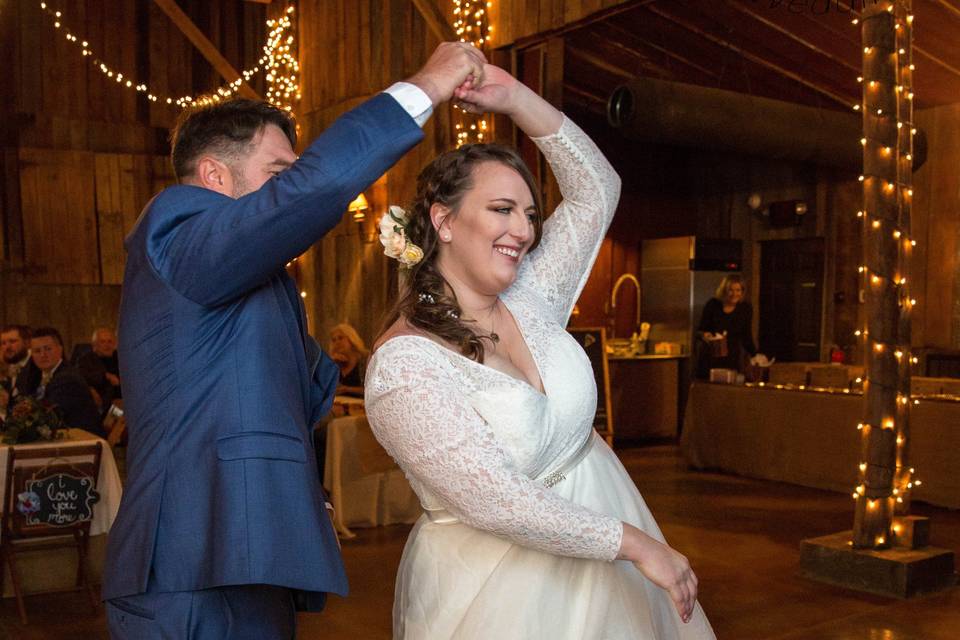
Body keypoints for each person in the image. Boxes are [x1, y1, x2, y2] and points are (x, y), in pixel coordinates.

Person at [101, 42, 487, 639]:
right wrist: (424, 90)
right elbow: (306, 195)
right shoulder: (175, 223)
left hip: (244, 549)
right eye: (278, 173)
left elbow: (293, 391)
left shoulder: (252, 279)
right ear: (213, 176)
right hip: (193, 558)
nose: (292, 186)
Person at [365, 65, 715, 639]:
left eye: (529, 214)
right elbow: (496, 501)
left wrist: (517, 100)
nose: (524, 231)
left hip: (611, 557)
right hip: (498, 587)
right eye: (502, 209)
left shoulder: (533, 293)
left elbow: (597, 190)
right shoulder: (406, 366)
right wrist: (633, 544)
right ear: (443, 220)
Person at [28, 327, 104, 437]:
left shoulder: (67, 379)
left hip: (83, 444)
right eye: (37, 351)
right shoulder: (43, 376)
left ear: (60, 349)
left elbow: (49, 418)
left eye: (48, 349)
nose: (43, 355)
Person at [696, 274, 758, 379]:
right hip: (711, 356)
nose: (734, 294)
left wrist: (755, 355)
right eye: (730, 290)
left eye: (738, 290)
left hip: (732, 358)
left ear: (742, 292)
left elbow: (746, 335)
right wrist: (705, 335)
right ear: (724, 290)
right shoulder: (712, 305)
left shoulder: (745, 308)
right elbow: (701, 330)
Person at [77, 327, 122, 411]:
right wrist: (105, 376)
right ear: (95, 345)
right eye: (102, 342)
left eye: (110, 341)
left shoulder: (121, 359)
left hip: (122, 403)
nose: (107, 345)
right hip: (100, 405)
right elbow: (81, 377)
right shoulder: (86, 360)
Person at [1, 325, 41, 409]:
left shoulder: (37, 365)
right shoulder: (14, 364)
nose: (7, 347)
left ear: (27, 343)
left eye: (12, 341)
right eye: (3, 343)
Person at [328, 323, 368, 398]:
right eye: (333, 340)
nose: (337, 342)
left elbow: (374, 391)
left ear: (351, 339)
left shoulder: (365, 360)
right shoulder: (334, 362)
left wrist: (347, 389)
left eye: (340, 338)